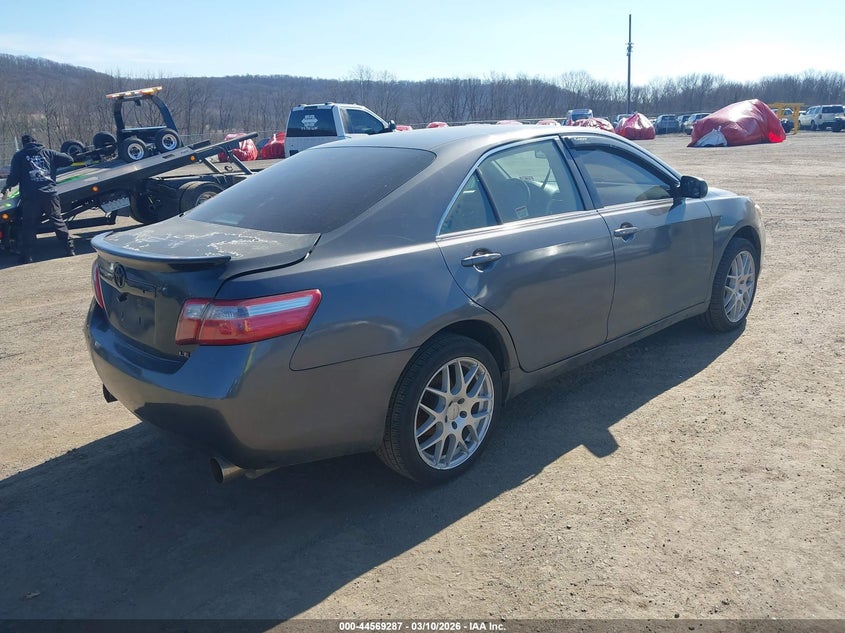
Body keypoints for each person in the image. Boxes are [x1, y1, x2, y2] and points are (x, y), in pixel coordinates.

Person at [1, 134, 75, 264]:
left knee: (29, 226)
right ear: (35, 141)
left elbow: (13, 178)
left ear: (23, 144)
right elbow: (69, 160)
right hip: (49, 194)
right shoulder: (48, 152)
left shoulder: (19, 156)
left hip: (30, 197)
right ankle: (69, 249)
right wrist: (53, 166)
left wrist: (7, 186)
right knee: (57, 221)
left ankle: (27, 256)